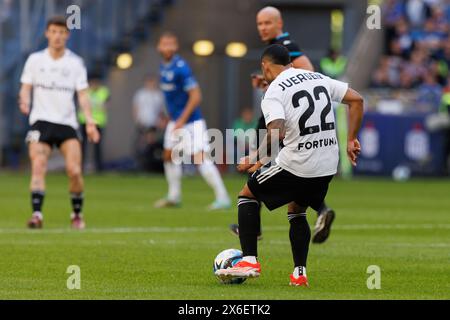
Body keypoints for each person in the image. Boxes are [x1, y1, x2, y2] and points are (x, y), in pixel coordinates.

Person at [216, 44, 364, 286]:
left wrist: (257, 158)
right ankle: (299, 274)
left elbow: (276, 130)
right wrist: (351, 139)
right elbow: (357, 100)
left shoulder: (273, 90)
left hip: (298, 163)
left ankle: (250, 260)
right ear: (290, 63)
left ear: (265, 66)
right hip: (328, 165)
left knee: (248, 194)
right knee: (297, 209)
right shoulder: (319, 78)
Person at [230, 6, 337, 244]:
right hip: (281, 115)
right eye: (259, 23)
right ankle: (320, 210)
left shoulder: (285, 43)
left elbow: (307, 70)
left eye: (268, 23)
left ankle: (254, 227)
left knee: (268, 166)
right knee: (276, 169)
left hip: (283, 117)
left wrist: (279, 86)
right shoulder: (278, 46)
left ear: (280, 24)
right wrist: (266, 82)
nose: (263, 28)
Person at [19, 16, 100, 230]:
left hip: (67, 124)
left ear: (67, 35)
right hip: (40, 122)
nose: (57, 36)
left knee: (74, 171)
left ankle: (76, 213)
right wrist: (24, 99)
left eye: (62, 32)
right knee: (38, 165)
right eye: (54, 31)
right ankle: (37, 214)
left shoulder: (75, 63)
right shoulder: (35, 60)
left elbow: (83, 95)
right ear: (47, 33)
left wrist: (90, 122)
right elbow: (26, 87)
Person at [154, 32, 231, 210]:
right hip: (175, 121)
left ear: (176, 46)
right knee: (168, 156)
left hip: (191, 122)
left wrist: (181, 120)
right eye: (164, 44)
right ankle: (174, 196)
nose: (167, 48)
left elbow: (196, 96)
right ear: (159, 46)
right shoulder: (163, 66)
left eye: (171, 44)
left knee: (200, 159)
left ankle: (223, 197)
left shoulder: (181, 67)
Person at [132, 75, 166, 171]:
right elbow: (135, 108)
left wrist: (161, 121)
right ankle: (141, 165)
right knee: (141, 145)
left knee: (152, 144)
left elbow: (161, 111)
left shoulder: (158, 95)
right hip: (142, 123)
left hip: (154, 124)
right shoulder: (140, 94)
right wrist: (137, 121)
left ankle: (151, 165)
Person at [78, 74, 110, 172]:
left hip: (98, 122)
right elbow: (80, 105)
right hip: (85, 121)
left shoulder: (104, 92)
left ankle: (98, 168)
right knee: (83, 145)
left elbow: (105, 106)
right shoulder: (85, 91)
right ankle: (80, 167)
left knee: (97, 146)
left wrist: (95, 105)